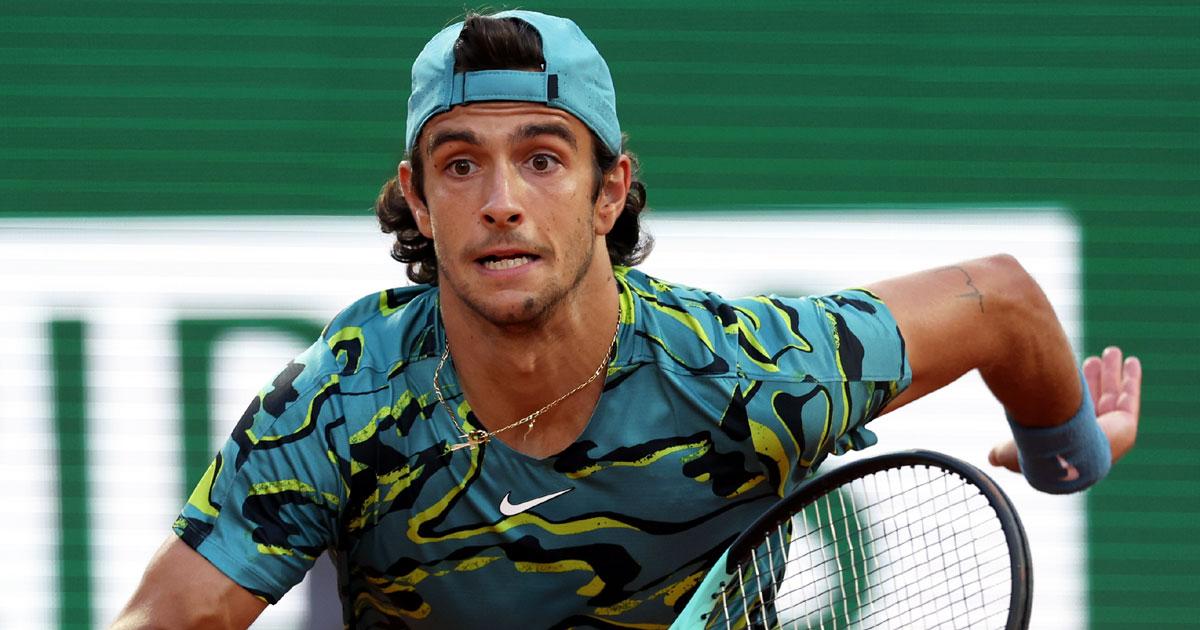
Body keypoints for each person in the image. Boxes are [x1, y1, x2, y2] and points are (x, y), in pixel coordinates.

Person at [112, 10, 1141, 629]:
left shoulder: (746, 376)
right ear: (418, 201)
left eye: (543, 158)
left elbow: (1001, 301)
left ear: (609, 192)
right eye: (461, 165)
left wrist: (1065, 458)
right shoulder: (343, 400)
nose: (501, 201)